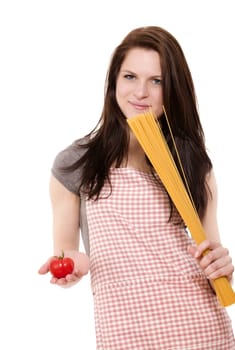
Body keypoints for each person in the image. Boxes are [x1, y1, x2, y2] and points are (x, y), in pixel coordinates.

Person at [39, 26, 235, 349]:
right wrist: (73, 265)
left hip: (200, 329)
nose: (140, 92)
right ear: (114, 81)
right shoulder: (75, 163)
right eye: (130, 77)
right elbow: (69, 252)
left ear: (172, 89)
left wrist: (223, 268)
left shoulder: (194, 166)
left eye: (156, 81)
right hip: (126, 333)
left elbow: (212, 262)